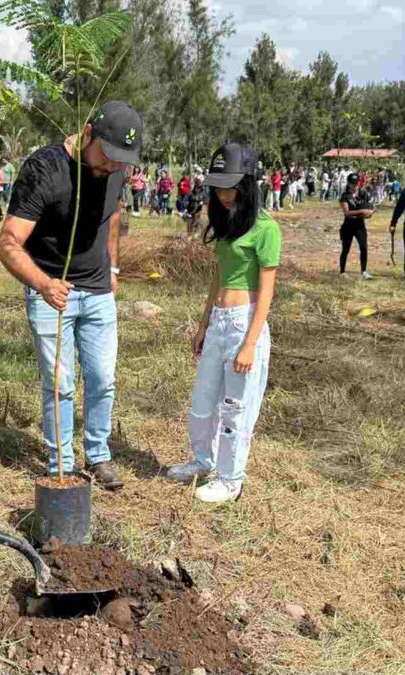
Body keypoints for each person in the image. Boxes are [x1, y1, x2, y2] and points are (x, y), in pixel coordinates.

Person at [0, 100, 141, 489]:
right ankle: (59, 461)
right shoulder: (43, 168)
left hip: (97, 292)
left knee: (103, 378)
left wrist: (111, 267)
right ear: (87, 132)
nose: (112, 166)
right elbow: (8, 243)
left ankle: (98, 455)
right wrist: (43, 284)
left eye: (121, 160)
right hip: (51, 292)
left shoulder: (116, 169)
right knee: (59, 384)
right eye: (107, 156)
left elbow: (112, 216)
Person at [165, 142, 280, 503]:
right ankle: (202, 459)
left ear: (247, 184)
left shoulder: (265, 229)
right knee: (202, 401)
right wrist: (203, 325)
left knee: (235, 407)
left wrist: (249, 342)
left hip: (245, 324)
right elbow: (218, 277)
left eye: (229, 185)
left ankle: (230, 480)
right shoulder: (226, 222)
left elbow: (266, 293)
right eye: (217, 185)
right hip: (218, 322)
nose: (222, 193)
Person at [338, 173, 374, 280]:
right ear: (348, 183)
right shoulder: (345, 196)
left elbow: (370, 207)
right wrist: (362, 211)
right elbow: (347, 213)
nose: (355, 185)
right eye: (352, 183)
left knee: (364, 248)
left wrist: (369, 213)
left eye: (356, 183)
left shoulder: (363, 194)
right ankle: (342, 271)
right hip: (348, 226)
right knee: (345, 249)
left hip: (360, 225)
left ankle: (364, 271)